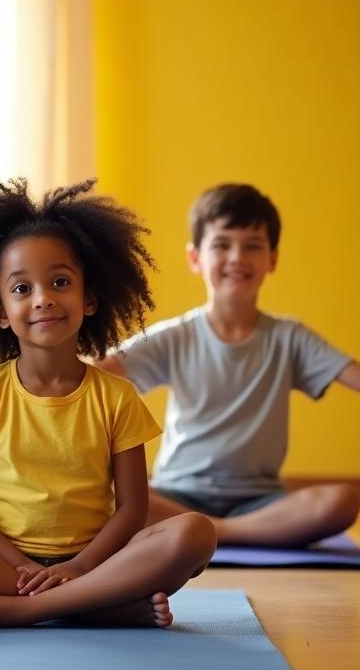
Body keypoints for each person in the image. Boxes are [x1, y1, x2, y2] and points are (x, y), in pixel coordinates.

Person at [0, 177, 215, 630]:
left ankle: (21, 611)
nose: (43, 299)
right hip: (5, 565)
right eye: (22, 289)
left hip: (96, 561)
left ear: (90, 299)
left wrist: (78, 567)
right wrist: (21, 564)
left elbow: (132, 509)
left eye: (60, 281)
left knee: (194, 533)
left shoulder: (116, 397)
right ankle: (97, 605)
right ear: (1, 312)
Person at [97, 183, 360, 546]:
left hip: (260, 502)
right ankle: (222, 531)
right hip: (176, 494)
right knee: (105, 497)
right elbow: (92, 373)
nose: (237, 257)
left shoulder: (290, 337)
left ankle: (212, 532)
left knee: (342, 501)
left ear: (272, 259)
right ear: (195, 258)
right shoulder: (176, 335)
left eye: (253, 245)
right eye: (222, 244)